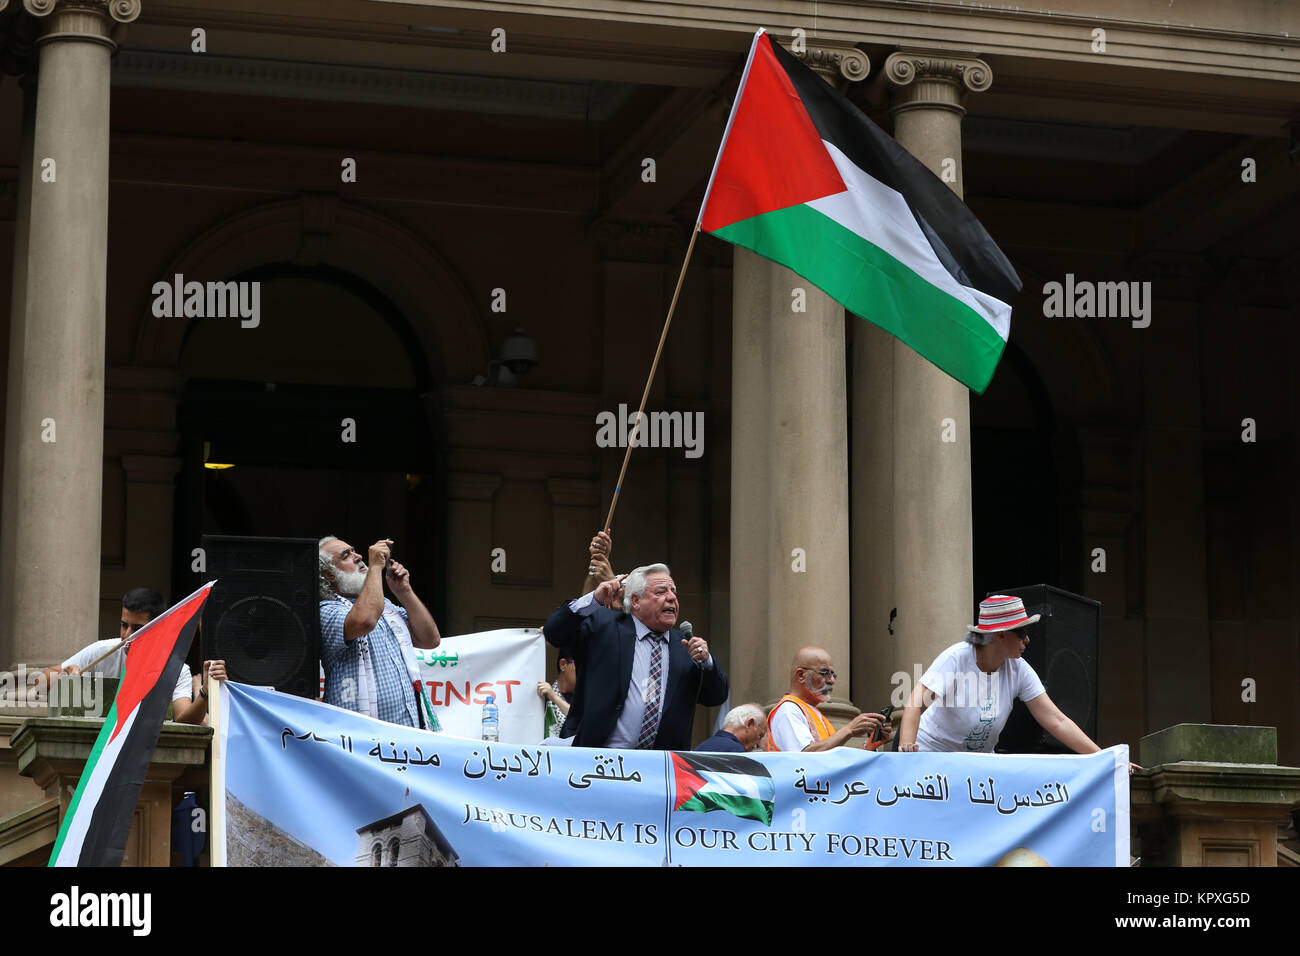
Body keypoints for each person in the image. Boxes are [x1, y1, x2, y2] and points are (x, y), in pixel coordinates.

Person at [543, 563, 728, 750]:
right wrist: (594, 599)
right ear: (636, 601)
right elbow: (553, 632)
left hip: (660, 768)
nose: (672, 598)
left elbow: (716, 696)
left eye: (673, 592)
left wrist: (708, 663)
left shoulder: (686, 647)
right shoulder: (604, 626)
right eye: (661, 592)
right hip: (600, 761)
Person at [898, 594, 1109, 757]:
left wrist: (1104, 757)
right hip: (933, 753)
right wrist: (907, 754)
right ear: (1000, 635)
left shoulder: (1019, 668)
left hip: (977, 763)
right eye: (1022, 632)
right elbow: (915, 703)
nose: (1027, 640)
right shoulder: (956, 658)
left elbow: (1057, 721)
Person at [45, 587, 223, 725]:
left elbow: (183, 717)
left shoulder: (176, 668)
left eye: (137, 629)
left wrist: (205, 692)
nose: (127, 635)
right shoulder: (101, 651)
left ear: (158, 629)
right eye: (124, 625)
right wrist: (64, 679)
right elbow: (40, 682)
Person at [319, 536, 440, 728]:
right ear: (329, 575)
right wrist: (375, 567)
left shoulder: (387, 607)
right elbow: (365, 621)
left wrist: (404, 591)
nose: (358, 556)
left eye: (354, 551)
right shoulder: (326, 610)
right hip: (358, 737)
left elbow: (429, 640)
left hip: (410, 735)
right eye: (346, 556)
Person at [767, 647, 891, 752]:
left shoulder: (814, 713)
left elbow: (830, 761)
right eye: (824, 673)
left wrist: (870, 745)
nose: (832, 681)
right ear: (801, 676)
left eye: (833, 674)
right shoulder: (788, 710)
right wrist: (849, 729)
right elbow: (804, 757)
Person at [697, 703, 767, 752]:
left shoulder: (701, 747)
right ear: (749, 724)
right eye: (760, 735)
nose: (758, 744)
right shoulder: (736, 751)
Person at [536, 652, 576, 738]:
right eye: (579, 664)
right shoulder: (542, 698)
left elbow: (581, 721)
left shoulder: (587, 699)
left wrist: (555, 698)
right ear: (563, 664)